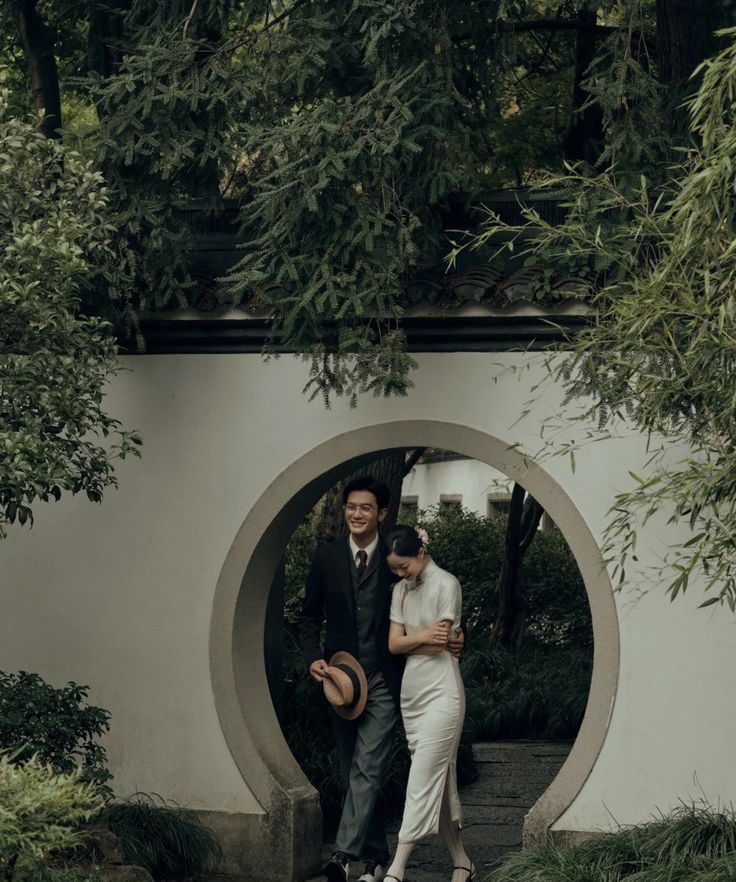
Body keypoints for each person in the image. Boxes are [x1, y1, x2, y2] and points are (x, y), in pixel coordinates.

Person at [300, 476, 463, 882]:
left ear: (383, 513)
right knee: (349, 768)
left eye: (366, 508)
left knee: (368, 766)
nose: (357, 514)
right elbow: (307, 617)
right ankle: (373, 858)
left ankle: (342, 856)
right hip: (340, 680)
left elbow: (434, 598)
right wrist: (313, 659)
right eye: (351, 507)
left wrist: (458, 635)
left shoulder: (397, 556)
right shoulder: (326, 557)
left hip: (388, 679)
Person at [384, 525, 475, 882]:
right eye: (393, 569)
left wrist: (410, 640)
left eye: (403, 566)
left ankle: (396, 868)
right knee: (437, 776)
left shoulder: (446, 584)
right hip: (413, 693)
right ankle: (462, 862)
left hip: (442, 691)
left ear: (420, 553)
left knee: (422, 775)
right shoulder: (399, 590)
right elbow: (394, 645)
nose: (399, 574)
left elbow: (442, 644)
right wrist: (419, 638)